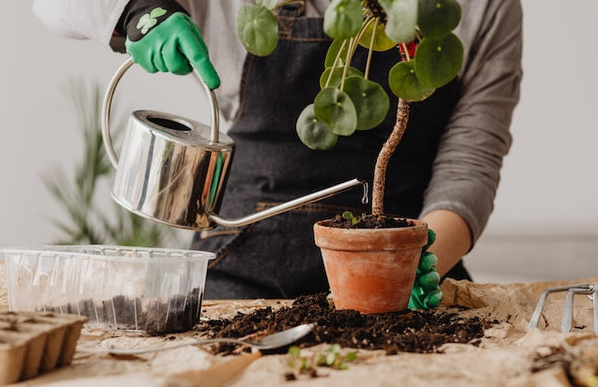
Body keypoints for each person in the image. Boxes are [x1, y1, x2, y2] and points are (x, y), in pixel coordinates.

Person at [32, 0, 522, 306]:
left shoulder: (483, 8)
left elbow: (471, 159)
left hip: (400, 272)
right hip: (242, 265)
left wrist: (422, 260)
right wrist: (139, 11)